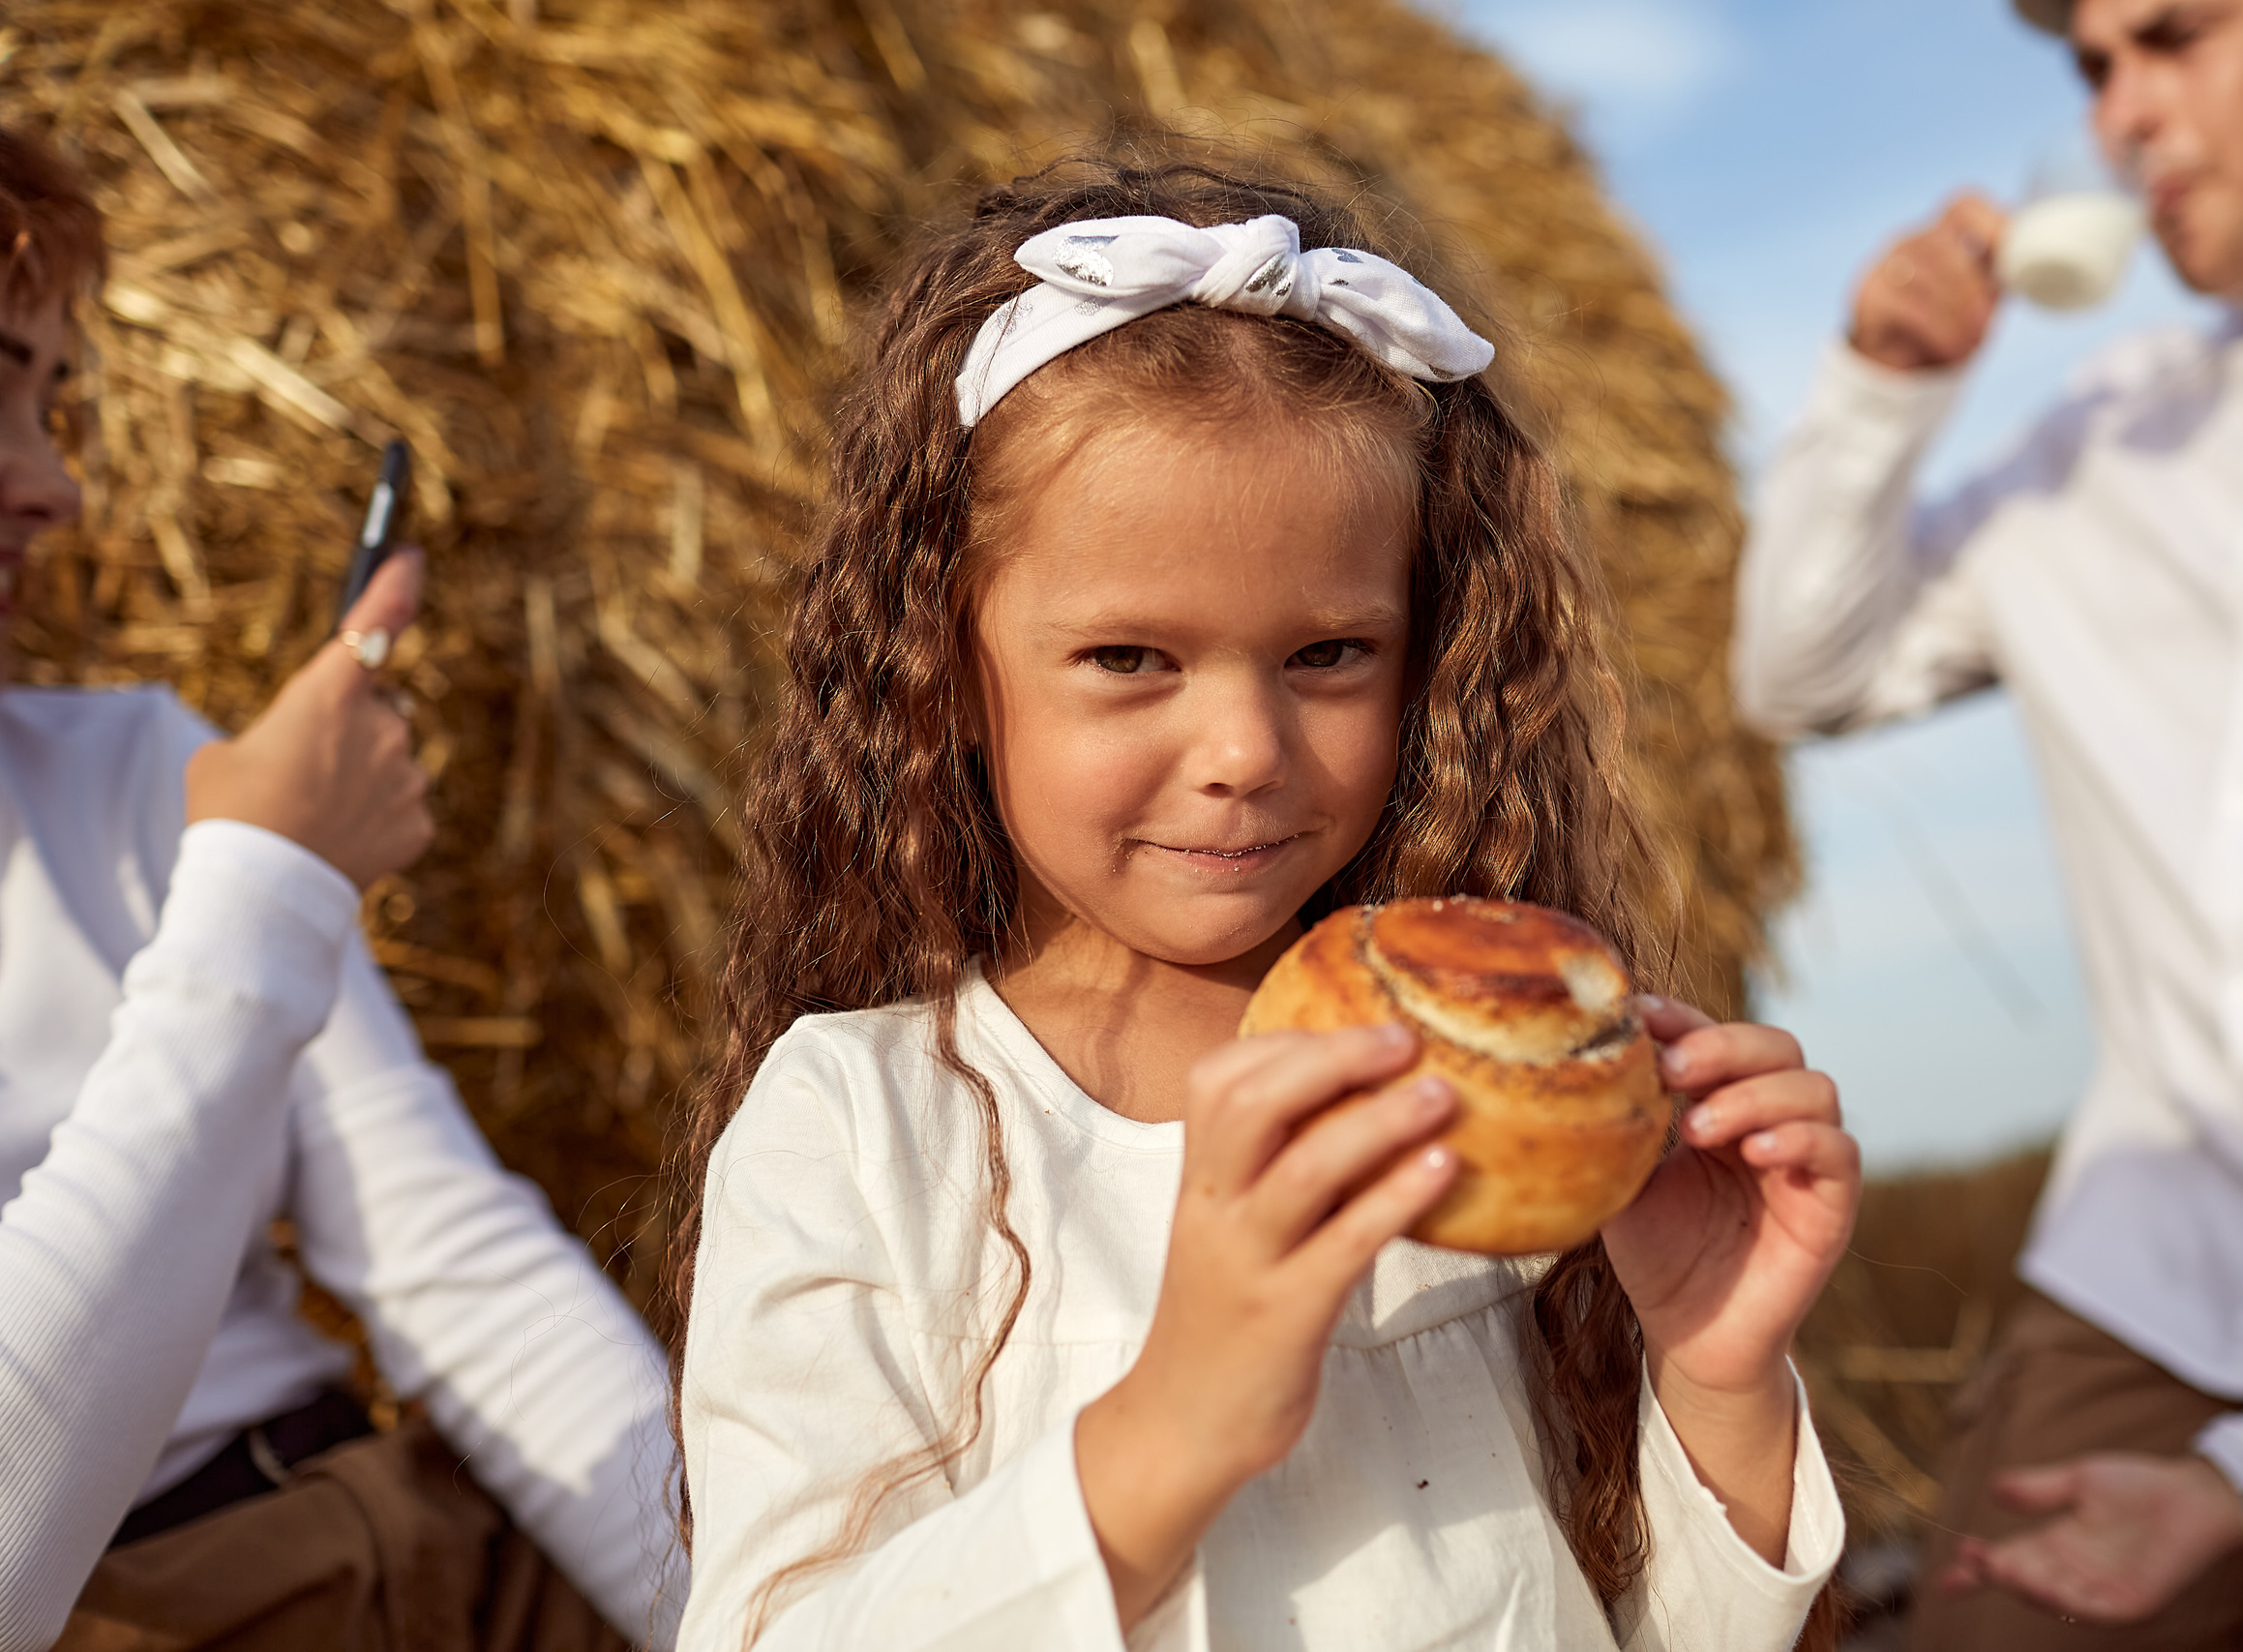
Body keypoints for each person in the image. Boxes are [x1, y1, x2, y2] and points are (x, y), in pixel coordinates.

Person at [664, 162, 1858, 1651]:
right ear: (951, 674)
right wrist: (1172, 1425)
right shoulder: (859, 1125)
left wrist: (1718, 1374)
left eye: (1328, 657)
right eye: (1127, 660)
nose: (1243, 754)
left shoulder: (1477, 1097)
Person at [1731, 0, 2243, 1644]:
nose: (2125, 113)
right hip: (2159, 1269)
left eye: (2174, 39)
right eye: (2092, 70)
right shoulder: (2102, 431)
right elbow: (1802, 671)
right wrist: (1881, 392)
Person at [0, 129, 684, 1649]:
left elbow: (455, 1264)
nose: (56, 487)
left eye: (51, 400)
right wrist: (267, 895)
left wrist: (764, 1619)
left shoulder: (131, 774)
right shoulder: (238, 844)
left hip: (428, 1541)